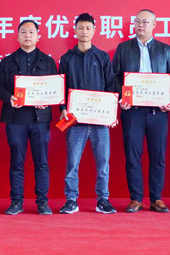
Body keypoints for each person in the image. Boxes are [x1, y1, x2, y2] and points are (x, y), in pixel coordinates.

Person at [112, 9, 170, 213]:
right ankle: (136, 198)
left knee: (158, 155)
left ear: (154, 25)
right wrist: (121, 98)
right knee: (133, 155)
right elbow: (115, 77)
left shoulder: (165, 49)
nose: (141, 25)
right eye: (138, 21)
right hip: (133, 111)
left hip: (158, 111)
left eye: (146, 22)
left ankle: (156, 198)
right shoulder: (123, 48)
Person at [0, 20, 58, 215]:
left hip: (40, 120)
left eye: (31, 32)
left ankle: (42, 202)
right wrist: (9, 98)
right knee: (17, 162)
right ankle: (16, 202)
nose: (28, 35)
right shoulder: (7, 61)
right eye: (23, 32)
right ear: (17, 36)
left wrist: (47, 100)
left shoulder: (48, 62)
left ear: (38, 36)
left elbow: (55, 88)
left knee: (42, 163)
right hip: (15, 119)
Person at [57, 13, 118, 214]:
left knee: (103, 164)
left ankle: (103, 200)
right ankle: (71, 200)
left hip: (100, 121)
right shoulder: (67, 58)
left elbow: (111, 86)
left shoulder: (102, 57)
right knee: (72, 163)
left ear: (94, 31)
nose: (84, 31)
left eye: (88, 28)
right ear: (75, 31)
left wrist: (111, 114)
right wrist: (62, 108)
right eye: (81, 28)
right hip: (75, 122)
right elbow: (61, 87)